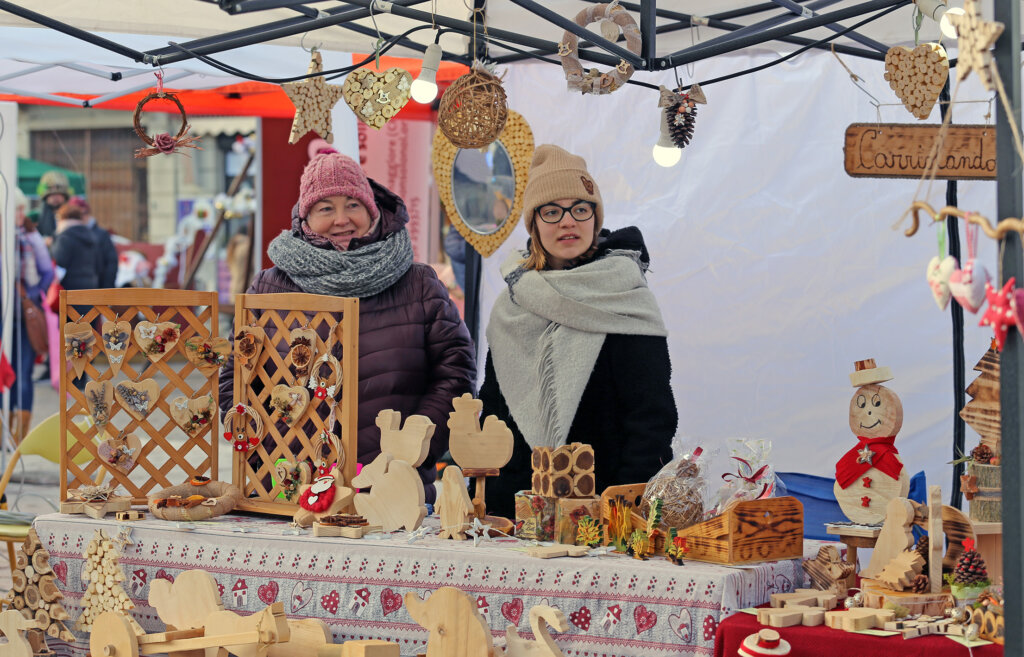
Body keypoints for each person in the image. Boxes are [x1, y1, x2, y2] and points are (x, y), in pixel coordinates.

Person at [219, 140, 475, 502]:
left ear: (372, 210)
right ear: (305, 219)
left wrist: (410, 451)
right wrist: (268, 454)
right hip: (289, 486)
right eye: (326, 208)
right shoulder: (269, 287)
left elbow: (455, 374)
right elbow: (236, 377)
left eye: (353, 205)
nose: (342, 219)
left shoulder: (418, 284)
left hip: (393, 491)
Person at [478, 144, 677, 519]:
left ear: (595, 218)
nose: (568, 221)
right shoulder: (514, 306)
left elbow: (651, 419)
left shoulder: (625, 298)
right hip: (517, 514)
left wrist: (620, 510)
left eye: (580, 209)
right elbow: (492, 414)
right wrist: (494, 502)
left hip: (602, 515)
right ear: (534, 224)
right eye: (552, 211)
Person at [8, 188, 55, 443]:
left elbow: (47, 272)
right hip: (10, 313)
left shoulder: (29, 236)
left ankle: (19, 434)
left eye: (22, 208)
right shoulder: (17, 235)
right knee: (7, 372)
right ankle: (6, 429)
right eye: (15, 209)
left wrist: (32, 295)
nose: (20, 213)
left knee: (23, 372)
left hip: (24, 314)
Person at [52, 201, 100, 390]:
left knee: (71, 335)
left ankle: (72, 378)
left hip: (70, 292)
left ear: (63, 219)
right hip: (90, 291)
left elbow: (59, 263)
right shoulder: (91, 236)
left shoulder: (65, 237)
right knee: (84, 336)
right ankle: (82, 377)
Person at [69, 196, 118, 289]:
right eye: (77, 214)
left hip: (98, 287)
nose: (82, 217)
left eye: (85, 213)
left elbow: (111, 263)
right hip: (72, 289)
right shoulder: (66, 236)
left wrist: (107, 288)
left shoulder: (101, 235)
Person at [36, 170, 71, 241]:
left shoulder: (72, 216)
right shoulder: (36, 217)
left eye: (59, 194)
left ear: (65, 196)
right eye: (51, 195)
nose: (55, 197)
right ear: (46, 197)